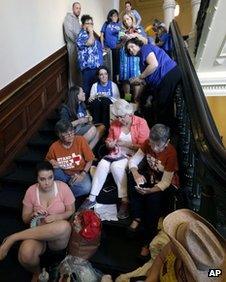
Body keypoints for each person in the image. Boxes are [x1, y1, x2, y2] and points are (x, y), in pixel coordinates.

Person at [0, 161, 75, 281]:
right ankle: (37, 273)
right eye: (42, 179)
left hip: (57, 239)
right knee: (25, 254)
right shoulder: (31, 191)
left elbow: (71, 210)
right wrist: (32, 215)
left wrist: (58, 217)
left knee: (64, 226)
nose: (47, 183)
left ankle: (12, 238)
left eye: (50, 178)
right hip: (37, 233)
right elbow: (25, 218)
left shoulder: (62, 187)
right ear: (37, 179)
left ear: (53, 176)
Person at [79, 99, 150, 219]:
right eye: (118, 117)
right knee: (102, 164)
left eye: (122, 117)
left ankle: (124, 200)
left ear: (129, 114)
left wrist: (127, 145)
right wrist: (109, 144)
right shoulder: (115, 123)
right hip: (116, 153)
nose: (120, 120)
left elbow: (145, 146)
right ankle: (91, 198)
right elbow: (108, 140)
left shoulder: (141, 123)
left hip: (134, 155)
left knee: (116, 166)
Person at [128, 124, 179, 259]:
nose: (154, 148)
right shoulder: (147, 143)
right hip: (151, 175)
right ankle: (137, 217)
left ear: (167, 142)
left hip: (162, 183)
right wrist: (135, 173)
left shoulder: (171, 153)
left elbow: (166, 182)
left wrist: (149, 191)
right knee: (133, 180)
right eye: (152, 144)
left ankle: (147, 239)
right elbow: (133, 161)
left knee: (153, 201)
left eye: (158, 146)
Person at [146, 209, 226, 282]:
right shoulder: (176, 248)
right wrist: (152, 277)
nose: (171, 242)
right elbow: (161, 257)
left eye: (174, 241)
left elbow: (218, 273)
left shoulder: (214, 273)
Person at [125, 37, 181, 127]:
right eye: (129, 49)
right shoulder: (141, 58)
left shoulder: (145, 48)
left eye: (132, 46)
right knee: (156, 105)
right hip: (161, 81)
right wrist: (140, 84)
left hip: (167, 74)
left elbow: (154, 64)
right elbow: (148, 77)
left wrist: (140, 77)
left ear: (138, 44)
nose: (131, 50)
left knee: (162, 107)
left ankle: (164, 132)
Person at [46, 119, 94, 197]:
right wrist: (52, 163)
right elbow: (48, 161)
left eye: (71, 131)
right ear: (59, 134)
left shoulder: (80, 140)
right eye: (66, 133)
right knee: (51, 173)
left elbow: (90, 159)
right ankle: (61, 192)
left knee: (86, 188)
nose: (70, 135)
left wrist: (82, 174)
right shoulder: (54, 147)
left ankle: (65, 196)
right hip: (63, 173)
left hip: (79, 172)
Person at [119, 13, 147, 102]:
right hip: (125, 56)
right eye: (124, 20)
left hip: (135, 56)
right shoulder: (122, 30)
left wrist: (136, 35)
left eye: (128, 19)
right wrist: (125, 37)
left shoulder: (139, 29)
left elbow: (145, 41)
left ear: (132, 19)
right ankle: (128, 100)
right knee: (126, 80)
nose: (126, 21)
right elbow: (120, 42)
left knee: (136, 78)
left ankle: (136, 101)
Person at [76, 15, 103, 100]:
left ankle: (93, 106)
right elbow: (90, 42)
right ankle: (87, 107)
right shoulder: (81, 35)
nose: (90, 25)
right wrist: (91, 32)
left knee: (94, 88)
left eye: (91, 23)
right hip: (88, 68)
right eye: (87, 23)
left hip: (95, 66)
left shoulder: (90, 34)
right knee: (87, 89)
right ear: (83, 25)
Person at [63, 2, 82, 88]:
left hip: (78, 47)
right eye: (77, 8)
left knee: (77, 69)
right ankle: (73, 91)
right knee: (73, 69)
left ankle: (78, 90)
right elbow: (69, 33)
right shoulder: (68, 18)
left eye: (79, 8)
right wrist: (79, 41)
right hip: (72, 47)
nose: (78, 10)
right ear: (73, 8)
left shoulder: (77, 19)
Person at [100, 9, 121, 82]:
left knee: (116, 66)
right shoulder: (106, 24)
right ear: (110, 17)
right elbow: (102, 35)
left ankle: (115, 82)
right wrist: (102, 46)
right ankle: (108, 81)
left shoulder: (119, 25)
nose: (115, 17)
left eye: (116, 16)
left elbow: (122, 36)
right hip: (107, 48)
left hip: (116, 48)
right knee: (108, 65)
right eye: (114, 16)